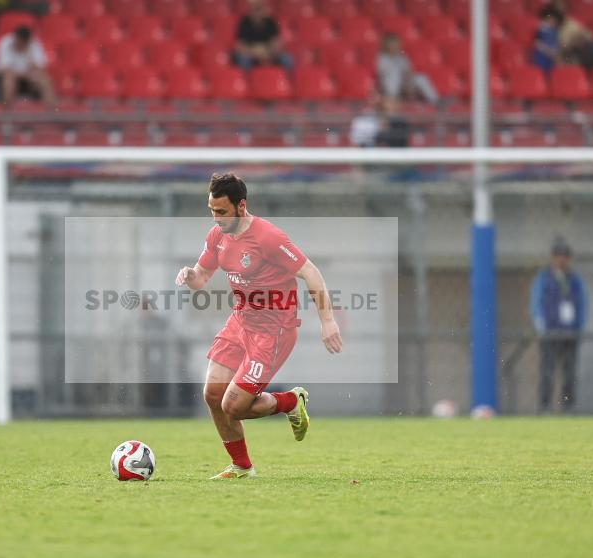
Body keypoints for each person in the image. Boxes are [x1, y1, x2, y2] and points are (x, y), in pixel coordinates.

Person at [175, 173, 343, 479]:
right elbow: (201, 277)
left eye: (222, 212)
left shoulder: (268, 237)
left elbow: (311, 272)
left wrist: (327, 320)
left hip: (273, 330)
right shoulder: (217, 236)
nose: (216, 219)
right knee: (213, 394)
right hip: (240, 320)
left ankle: (291, 401)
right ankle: (241, 466)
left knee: (234, 406)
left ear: (241, 206)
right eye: (212, 211)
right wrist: (189, 276)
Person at [529, 237, 588, 413]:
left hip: (569, 333)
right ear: (553, 258)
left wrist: (580, 326)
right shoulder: (544, 278)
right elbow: (536, 302)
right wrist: (539, 322)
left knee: (569, 373)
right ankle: (545, 406)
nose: (561, 260)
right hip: (550, 332)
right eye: (558, 256)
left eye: (564, 256)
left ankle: (568, 406)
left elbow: (582, 304)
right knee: (547, 371)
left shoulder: (574, 280)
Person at [0, 25, 55, 106]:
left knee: (45, 80)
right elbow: (4, 69)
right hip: (13, 76)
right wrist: (25, 74)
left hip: (29, 76)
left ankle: (52, 112)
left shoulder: (35, 44)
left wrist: (32, 73)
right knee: (8, 81)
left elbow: (40, 67)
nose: (19, 43)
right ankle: (6, 113)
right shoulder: (5, 42)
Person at [376, 34, 438, 104]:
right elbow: (382, 75)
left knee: (421, 77)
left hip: (404, 83)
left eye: (396, 44)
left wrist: (408, 83)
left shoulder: (402, 57)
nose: (395, 46)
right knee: (394, 74)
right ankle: (392, 100)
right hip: (389, 85)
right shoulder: (381, 58)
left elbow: (410, 72)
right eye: (392, 44)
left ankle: (434, 101)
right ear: (386, 45)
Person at [232, 0, 293, 71]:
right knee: (243, 60)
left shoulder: (271, 22)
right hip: (250, 54)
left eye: (260, 9)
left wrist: (267, 53)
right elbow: (240, 46)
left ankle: (284, 80)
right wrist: (256, 53)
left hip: (268, 53)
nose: (258, 13)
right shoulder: (244, 22)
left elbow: (276, 44)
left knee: (286, 59)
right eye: (256, 9)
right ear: (250, 10)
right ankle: (247, 81)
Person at [532, 6, 561, 73]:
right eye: (550, 19)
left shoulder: (555, 31)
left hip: (551, 60)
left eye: (554, 20)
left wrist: (554, 53)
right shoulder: (541, 30)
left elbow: (556, 44)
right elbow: (537, 44)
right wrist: (549, 51)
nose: (552, 21)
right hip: (541, 58)